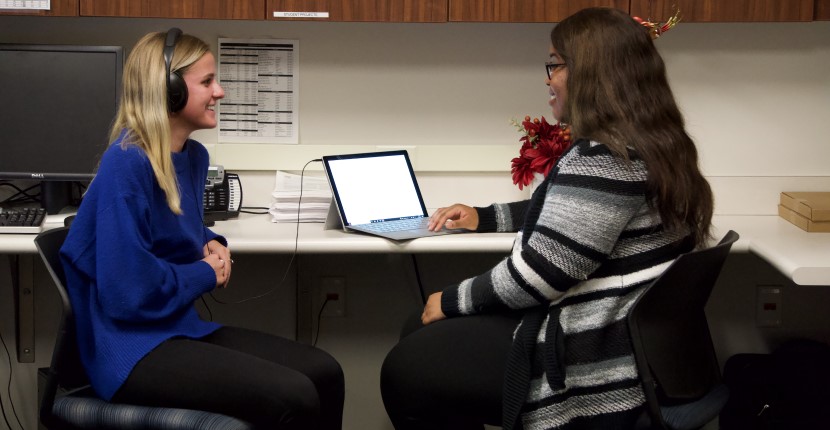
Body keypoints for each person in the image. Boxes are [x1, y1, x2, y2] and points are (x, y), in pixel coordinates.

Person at [380, 7, 714, 430]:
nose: (548, 78)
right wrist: (483, 218)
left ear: (590, 73)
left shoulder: (605, 158)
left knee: (404, 370)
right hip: (626, 341)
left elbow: (540, 274)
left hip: (590, 357)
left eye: (555, 64)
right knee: (417, 328)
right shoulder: (652, 145)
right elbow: (569, 214)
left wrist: (451, 299)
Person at [59, 28, 344, 429]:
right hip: (130, 350)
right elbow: (127, 293)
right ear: (170, 91)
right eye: (207, 82)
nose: (220, 92)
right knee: (294, 397)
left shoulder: (192, 157)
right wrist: (204, 273)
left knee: (326, 372)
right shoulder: (126, 163)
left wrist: (211, 242)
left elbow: (169, 230)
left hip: (177, 328)